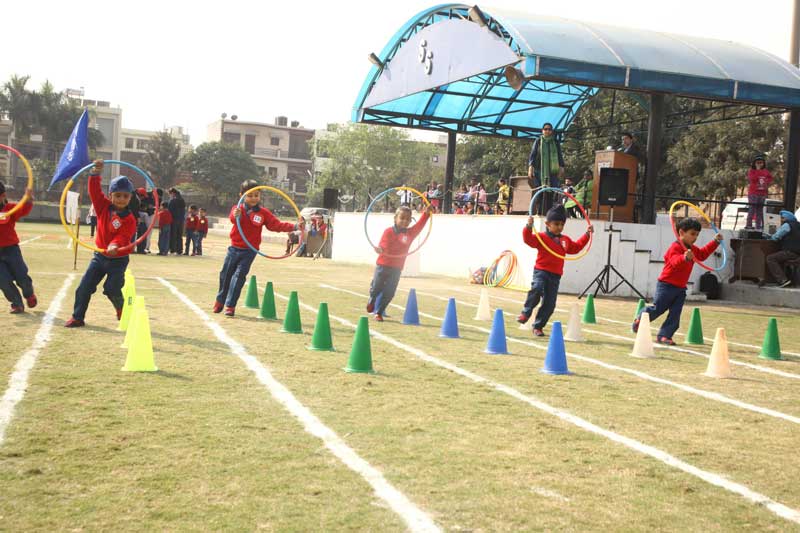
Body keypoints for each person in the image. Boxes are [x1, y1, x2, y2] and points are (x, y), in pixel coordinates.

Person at [213, 179, 303, 317]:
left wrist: (295, 226)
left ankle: (230, 306)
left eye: (256, 195)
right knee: (225, 275)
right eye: (250, 195)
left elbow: (276, 225)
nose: (253, 198)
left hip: (250, 251)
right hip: (234, 249)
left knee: (238, 277)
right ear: (242, 195)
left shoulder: (263, 213)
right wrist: (235, 215)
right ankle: (220, 300)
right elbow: (232, 218)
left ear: (260, 195)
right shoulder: (238, 209)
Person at [65, 160, 137, 327]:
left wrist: (114, 245)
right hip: (99, 257)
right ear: (110, 195)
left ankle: (121, 308)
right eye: (117, 195)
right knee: (83, 288)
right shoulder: (103, 207)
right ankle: (77, 317)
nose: (121, 199)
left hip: (118, 260)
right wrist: (96, 173)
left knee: (112, 288)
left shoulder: (130, 219)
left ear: (130, 197)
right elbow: (94, 191)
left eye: (125, 196)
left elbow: (123, 237)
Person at [633, 218, 723, 344]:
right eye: (692, 234)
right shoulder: (674, 247)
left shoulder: (693, 249)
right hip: (666, 285)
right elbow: (675, 261)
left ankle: (665, 335)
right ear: (681, 232)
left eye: (697, 234)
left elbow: (702, 254)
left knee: (675, 314)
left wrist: (715, 241)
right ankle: (640, 319)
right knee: (658, 308)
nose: (695, 237)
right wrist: (684, 257)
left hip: (680, 288)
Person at [518, 204, 593, 336]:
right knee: (537, 288)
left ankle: (538, 326)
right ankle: (526, 312)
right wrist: (529, 227)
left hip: (555, 276)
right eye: (556, 224)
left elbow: (576, 248)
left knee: (550, 304)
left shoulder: (565, 240)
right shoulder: (541, 237)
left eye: (562, 224)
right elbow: (528, 239)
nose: (559, 227)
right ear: (547, 224)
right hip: (541, 271)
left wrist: (587, 235)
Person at [366, 204, 432, 322]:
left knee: (390, 292)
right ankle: (372, 298)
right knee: (377, 286)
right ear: (395, 218)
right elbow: (384, 244)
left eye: (408, 219)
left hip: (396, 268)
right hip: (383, 264)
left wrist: (426, 214)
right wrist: (380, 249)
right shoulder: (388, 231)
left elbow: (420, 226)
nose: (404, 221)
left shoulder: (410, 233)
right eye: (402, 218)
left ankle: (379, 312)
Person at [0, 182, 37, 313]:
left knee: (21, 276)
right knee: (3, 281)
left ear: (3, 196)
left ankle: (29, 294)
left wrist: (28, 198)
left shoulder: (10, 209)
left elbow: (24, 209)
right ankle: (17, 303)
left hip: (11, 250)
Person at [528, 122, 565, 215]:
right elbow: (533, 155)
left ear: (551, 131)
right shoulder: (538, 141)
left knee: (551, 192)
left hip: (553, 171)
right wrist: (530, 167)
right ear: (542, 131)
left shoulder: (555, 142)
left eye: (549, 129)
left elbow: (560, 155)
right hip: (539, 170)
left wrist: (561, 167)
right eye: (545, 129)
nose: (547, 131)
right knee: (540, 191)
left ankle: (548, 213)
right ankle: (539, 212)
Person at [765, 210, 800, 288]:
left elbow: (775, 237)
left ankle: (783, 280)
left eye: (782, 218)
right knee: (779, 256)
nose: (781, 220)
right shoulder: (798, 225)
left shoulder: (787, 225)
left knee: (770, 258)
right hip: (798, 253)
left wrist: (769, 236)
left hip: (791, 252)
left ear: (786, 218)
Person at [746, 155, 773, 230]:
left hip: (762, 194)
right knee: (752, 209)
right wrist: (757, 171)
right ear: (754, 163)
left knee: (759, 211)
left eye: (761, 162)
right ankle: (749, 226)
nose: (759, 164)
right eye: (757, 163)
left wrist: (766, 182)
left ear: (763, 163)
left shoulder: (766, 171)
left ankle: (758, 227)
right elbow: (752, 179)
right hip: (753, 193)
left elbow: (770, 178)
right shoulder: (752, 171)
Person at [168, 187, 186, 255]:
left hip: (174, 219)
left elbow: (169, 210)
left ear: (172, 193)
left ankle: (172, 249)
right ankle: (179, 249)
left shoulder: (173, 200)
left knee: (173, 234)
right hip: (181, 220)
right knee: (179, 235)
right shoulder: (182, 200)